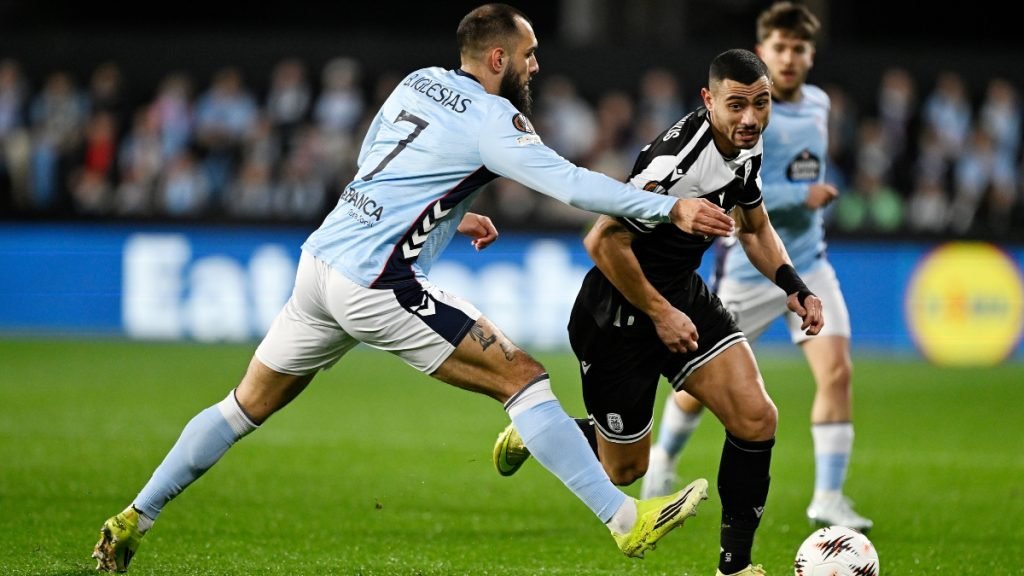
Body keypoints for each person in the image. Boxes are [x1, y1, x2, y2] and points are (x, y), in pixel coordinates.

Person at [89, 4, 735, 572]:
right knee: (524, 379)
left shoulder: (418, 81)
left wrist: (451, 215)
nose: (536, 66)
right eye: (530, 54)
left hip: (320, 265)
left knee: (242, 406)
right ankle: (625, 521)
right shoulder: (495, 119)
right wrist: (669, 208)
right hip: (376, 281)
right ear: (498, 58)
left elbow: (375, 161)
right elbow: (571, 184)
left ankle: (134, 517)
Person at [493, 48, 824, 576]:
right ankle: (545, 432)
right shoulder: (674, 165)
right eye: (737, 105)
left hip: (682, 294)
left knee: (757, 418)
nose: (750, 118)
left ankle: (735, 567)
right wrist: (660, 313)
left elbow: (755, 226)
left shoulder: (747, 143)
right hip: (618, 315)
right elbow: (602, 241)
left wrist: (794, 286)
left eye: (761, 104)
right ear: (708, 100)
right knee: (625, 469)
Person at [640, 1, 873, 534]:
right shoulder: (743, 115)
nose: (789, 58)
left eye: (799, 48)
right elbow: (742, 195)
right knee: (697, 389)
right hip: (747, 272)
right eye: (779, 48)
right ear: (762, 52)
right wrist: (801, 196)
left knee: (837, 372)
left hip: (807, 262)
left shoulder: (819, 104)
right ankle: (662, 461)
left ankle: (828, 498)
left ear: (811, 55)